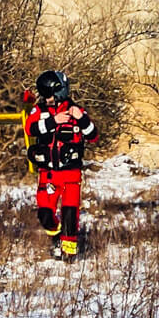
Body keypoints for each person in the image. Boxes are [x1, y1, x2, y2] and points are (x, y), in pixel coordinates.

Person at [24, 69, 99, 261]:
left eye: (49, 95)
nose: (46, 99)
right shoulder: (39, 111)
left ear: (59, 92)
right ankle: (55, 235)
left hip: (71, 173)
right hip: (48, 173)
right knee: (45, 212)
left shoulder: (77, 111)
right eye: (44, 96)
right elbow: (30, 129)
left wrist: (81, 120)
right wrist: (52, 121)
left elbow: (93, 136)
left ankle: (69, 251)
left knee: (69, 212)